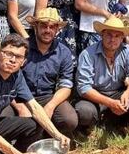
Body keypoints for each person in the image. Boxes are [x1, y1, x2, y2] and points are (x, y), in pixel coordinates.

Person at [74, 17, 129, 135]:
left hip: (118, 93)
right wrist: (109, 103)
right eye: (109, 35)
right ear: (102, 35)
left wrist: (127, 94)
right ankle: (90, 128)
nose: (113, 39)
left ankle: (124, 123)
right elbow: (84, 88)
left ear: (122, 37)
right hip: (95, 96)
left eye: (117, 36)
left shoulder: (127, 50)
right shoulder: (87, 54)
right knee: (84, 111)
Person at [5, 8, 79, 138]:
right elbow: (6, 79)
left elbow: (66, 86)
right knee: (3, 115)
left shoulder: (64, 52)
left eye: (52, 27)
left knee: (69, 119)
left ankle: (45, 136)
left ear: (57, 30)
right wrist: (20, 106)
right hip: (18, 97)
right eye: (44, 26)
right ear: (35, 27)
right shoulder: (21, 48)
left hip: (47, 97)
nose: (48, 30)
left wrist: (50, 106)